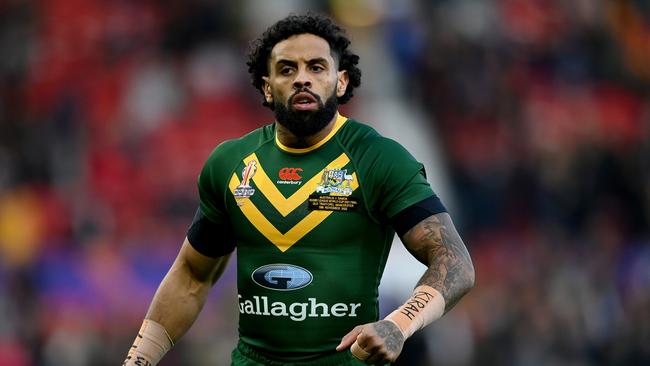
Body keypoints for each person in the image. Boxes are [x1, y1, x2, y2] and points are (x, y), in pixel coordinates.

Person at [123, 13, 475, 366]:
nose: (302, 78)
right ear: (266, 86)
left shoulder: (378, 159)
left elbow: (455, 262)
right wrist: (138, 360)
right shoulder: (231, 163)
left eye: (317, 67)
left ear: (341, 81)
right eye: (287, 69)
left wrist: (399, 324)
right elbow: (191, 276)